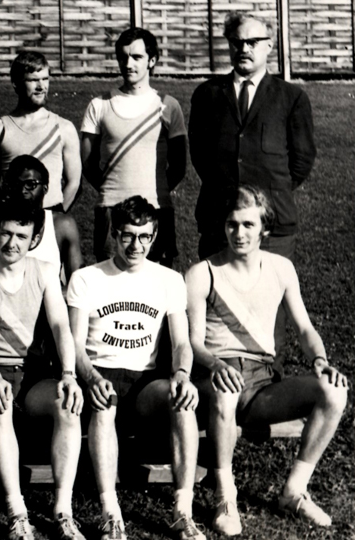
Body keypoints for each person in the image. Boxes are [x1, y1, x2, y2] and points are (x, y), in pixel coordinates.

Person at [186, 186, 347, 536]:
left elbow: (304, 328)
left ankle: (294, 491)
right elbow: (193, 342)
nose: (239, 233)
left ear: (265, 229)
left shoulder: (281, 268)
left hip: (262, 384)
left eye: (248, 224)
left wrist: (319, 359)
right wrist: (216, 366)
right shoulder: (202, 273)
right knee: (226, 392)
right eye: (232, 224)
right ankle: (225, 496)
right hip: (215, 377)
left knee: (334, 393)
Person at [68, 196, 204, 540]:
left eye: (145, 236)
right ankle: (110, 512)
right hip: (99, 373)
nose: (136, 245)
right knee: (104, 402)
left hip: (144, 380)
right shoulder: (86, 278)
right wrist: (93, 378)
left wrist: (183, 376)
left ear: (155, 235)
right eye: (127, 235)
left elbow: (182, 343)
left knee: (183, 400)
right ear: (114, 233)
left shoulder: (169, 279)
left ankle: (182, 511)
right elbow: (74, 344)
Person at [0, 200, 84, 540]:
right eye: (5, 233)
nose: (11, 243)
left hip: (31, 375)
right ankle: (17, 512)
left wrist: (69, 375)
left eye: (21, 235)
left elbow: (61, 326)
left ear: (34, 238)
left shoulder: (45, 269)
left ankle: (63, 511)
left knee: (67, 406)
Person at [189, 12, 316, 262]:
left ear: (269, 45)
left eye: (252, 42)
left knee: (269, 296)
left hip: (272, 224)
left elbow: (302, 160)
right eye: (237, 42)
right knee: (217, 296)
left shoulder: (291, 97)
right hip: (219, 220)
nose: (244, 49)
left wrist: (270, 190)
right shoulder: (207, 94)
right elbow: (200, 155)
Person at [80, 28, 187, 267]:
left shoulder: (168, 106)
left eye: (137, 57)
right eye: (123, 57)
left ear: (152, 60)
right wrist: (112, 189)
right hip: (111, 209)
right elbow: (87, 163)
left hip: (157, 209)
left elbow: (179, 166)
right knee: (110, 282)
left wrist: (154, 190)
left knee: (158, 287)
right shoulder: (99, 104)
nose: (128, 64)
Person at [0, 52, 82, 281]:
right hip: (12, 229)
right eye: (33, 80)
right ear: (17, 84)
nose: (40, 86)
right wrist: (5, 214)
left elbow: (74, 181)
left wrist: (54, 216)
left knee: (53, 287)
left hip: (50, 226)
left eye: (45, 79)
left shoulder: (63, 128)